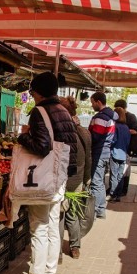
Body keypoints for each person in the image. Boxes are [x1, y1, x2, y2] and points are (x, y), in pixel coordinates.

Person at [9, 71, 77, 274]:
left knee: (38, 227)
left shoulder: (40, 112)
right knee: (51, 227)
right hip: (58, 179)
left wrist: (23, 135)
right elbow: (70, 150)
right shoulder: (64, 112)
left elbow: (42, 146)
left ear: (37, 92)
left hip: (42, 181)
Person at [58, 96, 92, 259]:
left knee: (58, 215)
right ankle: (75, 247)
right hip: (78, 180)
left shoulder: (61, 131)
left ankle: (56, 252)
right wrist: (87, 179)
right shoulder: (84, 132)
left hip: (62, 181)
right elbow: (88, 158)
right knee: (73, 214)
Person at [89, 91, 116, 219]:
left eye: (92, 102)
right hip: (106, 152)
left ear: (98, 102)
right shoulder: (110, 116)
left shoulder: (101, 117)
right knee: (99, 181)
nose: (91, 105)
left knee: (96, 181)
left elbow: (95, 136)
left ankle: (97, 210)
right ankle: (100, 208)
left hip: (99, 152)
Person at [113, 99, 137, 196]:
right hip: (125, 148)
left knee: (121, 172)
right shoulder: (128, 117)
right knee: (123, 171)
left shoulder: (130, 117)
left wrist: (124, 131)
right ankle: (120, 190)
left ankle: (120, 190)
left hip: (125, 148)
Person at [109, 107, 131, 202]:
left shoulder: (115, 126)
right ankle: (118, 195)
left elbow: (113, 140)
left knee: (114, 175)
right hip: (123, 154)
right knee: (120, 176)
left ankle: (113, 194)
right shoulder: (126, 128)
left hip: (114, 153)